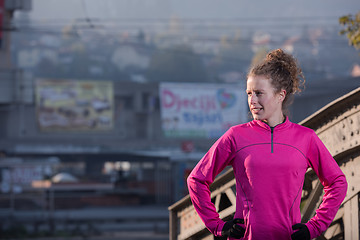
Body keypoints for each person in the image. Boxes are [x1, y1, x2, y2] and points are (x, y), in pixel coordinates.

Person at [187, 49, 348, 240]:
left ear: (281, 95)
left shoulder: (306, 138)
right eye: (249, 94)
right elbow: (196, 180)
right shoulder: (235, 136)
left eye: (259, 93)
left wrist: (315, 226)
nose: (252, 101)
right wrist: (218, 226)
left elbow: (337, 182)